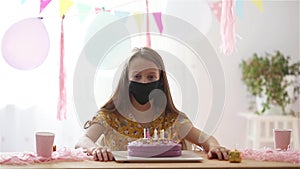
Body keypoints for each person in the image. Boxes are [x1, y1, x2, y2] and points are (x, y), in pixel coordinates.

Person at [75, 47, 229, 161]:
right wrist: (95, 149)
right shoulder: (110, 116)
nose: (144, 82)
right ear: (126, 80)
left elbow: (207, 139)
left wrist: (214, 147)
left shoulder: (172, 119)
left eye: (151, 77)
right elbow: (82, 141)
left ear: (160, 80)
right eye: (137, 76)